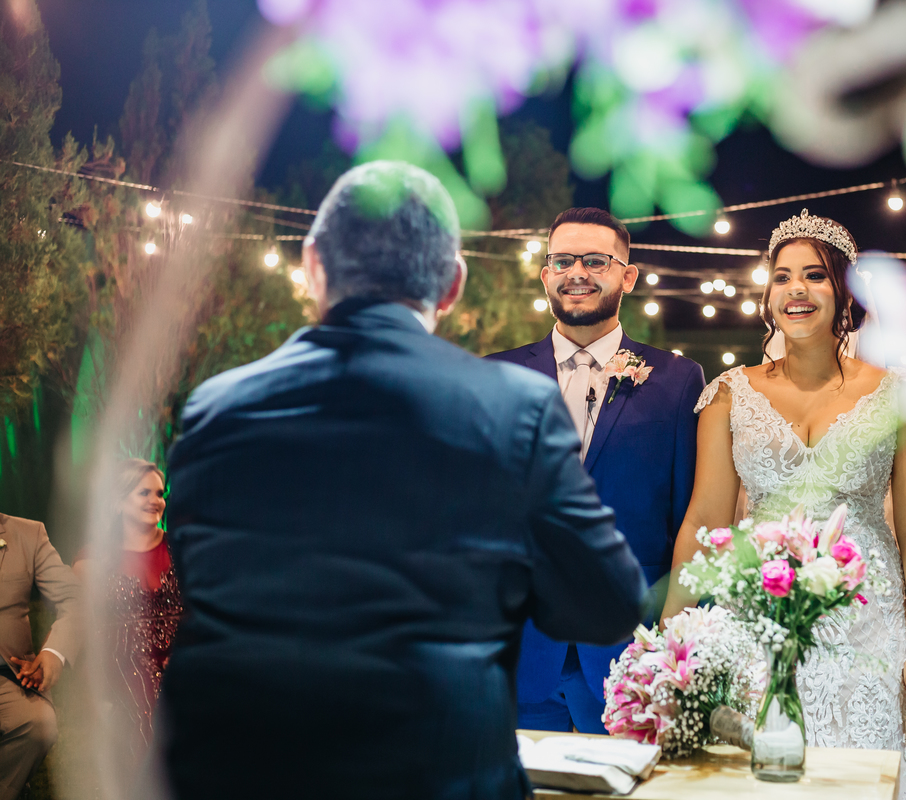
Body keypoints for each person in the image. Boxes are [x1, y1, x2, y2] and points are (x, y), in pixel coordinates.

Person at [161, 162, 647, 800]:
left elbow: (198, 575)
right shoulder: (514, 409)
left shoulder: (215, 407)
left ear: (312, 264)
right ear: (452, 284)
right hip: (440, 770)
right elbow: (608, 603)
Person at [661, 210, 906, 800]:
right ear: (768, 295)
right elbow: (705, 518)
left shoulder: (902, 397)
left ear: (844, 292)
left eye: (815, 276)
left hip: (867, 620)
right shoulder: (728, 395)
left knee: (862, 774)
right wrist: (672, 633)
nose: (797, 290)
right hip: (758, 616)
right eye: (782, 277)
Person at [488, 207, 705, 734]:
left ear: (627, 276)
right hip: (519, 648)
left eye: (595, 261)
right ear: (546, 275)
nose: (577, 273)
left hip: (627, 651)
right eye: (563, 261)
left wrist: (674, 643)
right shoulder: (496, 375)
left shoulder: (678, 380)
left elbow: (691, 519)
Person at [73, 458, 181, 760]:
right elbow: (85, 629)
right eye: (143, 493)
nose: (155, 501)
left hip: (181, 655)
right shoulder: (93, 562)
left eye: (159, 493)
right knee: (151, 697)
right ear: (118, 502)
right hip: (123, 662)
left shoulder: (182, 549)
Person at [0, 513, 80, 800]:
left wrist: (54, 652)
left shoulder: (28, 534)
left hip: (8, 675)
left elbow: (74, 598)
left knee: (38, 726)